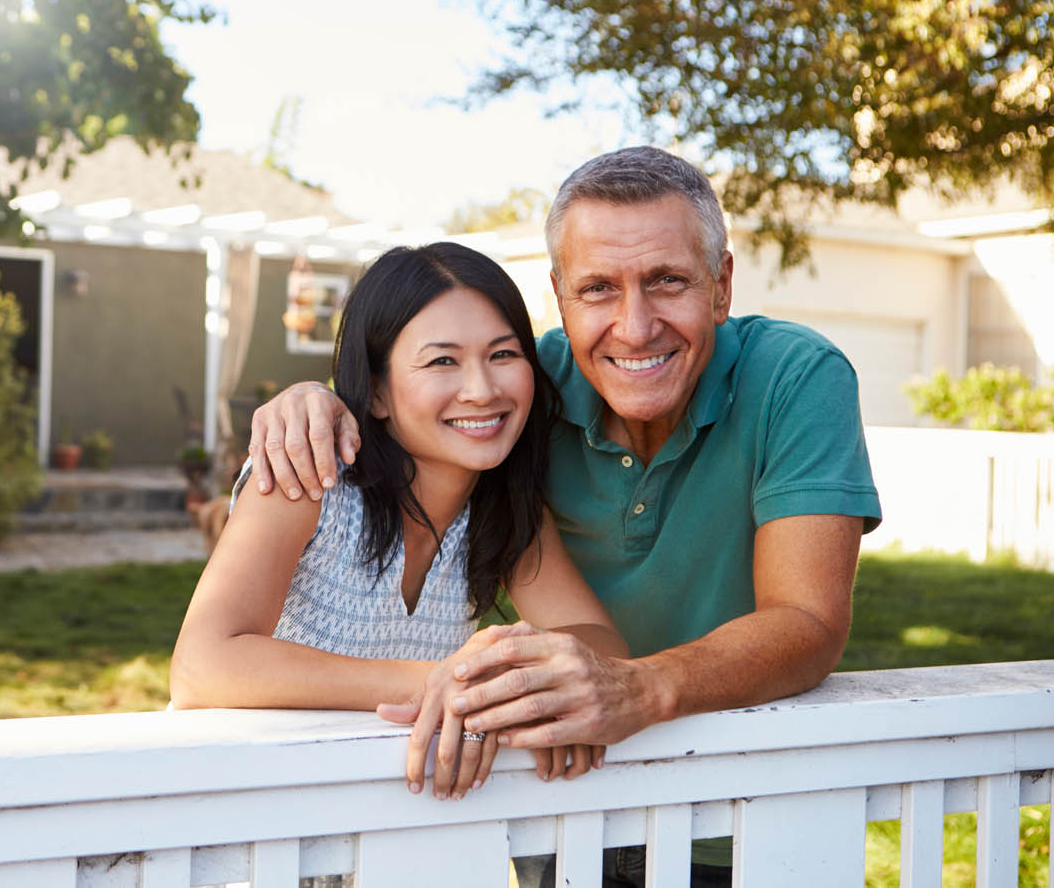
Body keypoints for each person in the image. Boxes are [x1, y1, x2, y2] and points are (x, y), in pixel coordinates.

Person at [245, 146, 883, 886]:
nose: (635, 325)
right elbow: (415, 388)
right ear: (560, 296)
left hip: (745, 817)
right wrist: (314, 399)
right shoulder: (520, 391)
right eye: (599, 288)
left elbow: (806, 622)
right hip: (566, 800)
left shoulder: (795, 377)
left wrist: (635, 689)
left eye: (668, 281)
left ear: (721, 285)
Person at [169, 241, 629, 805]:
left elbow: (606, 649)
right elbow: (202, 665)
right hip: (246, 808)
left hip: (391, 821)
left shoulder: (506, 511)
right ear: (379, 391)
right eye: (442, 361)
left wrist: (498, 671)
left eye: (504, 355)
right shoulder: (310, 478)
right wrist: (451, 683)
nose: (482, 390)